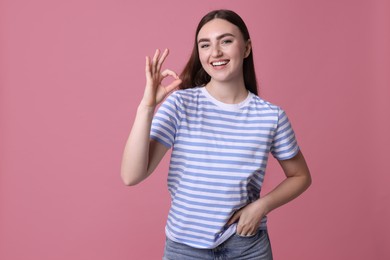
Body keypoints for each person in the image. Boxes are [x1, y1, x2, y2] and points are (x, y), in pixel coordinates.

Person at [121, 9, 311, 260]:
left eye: (226, 41)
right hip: (185, 249)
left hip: (247, 247)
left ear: (246, 48)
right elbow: (131, 175)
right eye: (205, 45)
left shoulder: (270, 116)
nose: (215, 52)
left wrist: (261, 206)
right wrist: (146, 107)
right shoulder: (180, 104)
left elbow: (300, 176)